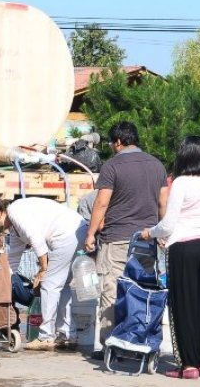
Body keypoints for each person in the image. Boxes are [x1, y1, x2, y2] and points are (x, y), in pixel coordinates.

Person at [140, 136, 200, 379]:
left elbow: (168, 223)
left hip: (184, 246)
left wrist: (150, 233)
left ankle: (188, 364)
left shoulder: (182, 182)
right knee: (199, 304)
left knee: (182, 307)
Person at [84, 121, 168, 353]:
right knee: (140, 290)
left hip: (117, 238)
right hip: (146, 241)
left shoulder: (112, 166)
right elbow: (163, 203)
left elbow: (101, 202)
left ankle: (110, 344)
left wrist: (91, 233)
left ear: (118, 142)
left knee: (111, 290)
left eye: (112, 143)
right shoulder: (157, 165)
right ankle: (137, 339)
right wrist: (162, 233)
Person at [0, 196, 86, 351]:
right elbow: (13, 259)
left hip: (66, 234)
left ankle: (46, 337)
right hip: (76, 232)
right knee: (63, 287)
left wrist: (42, 270)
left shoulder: (15, 212)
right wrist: (2, 280)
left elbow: (37, 240)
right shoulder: (14, 228)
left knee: (49, 285)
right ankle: (68, 334)